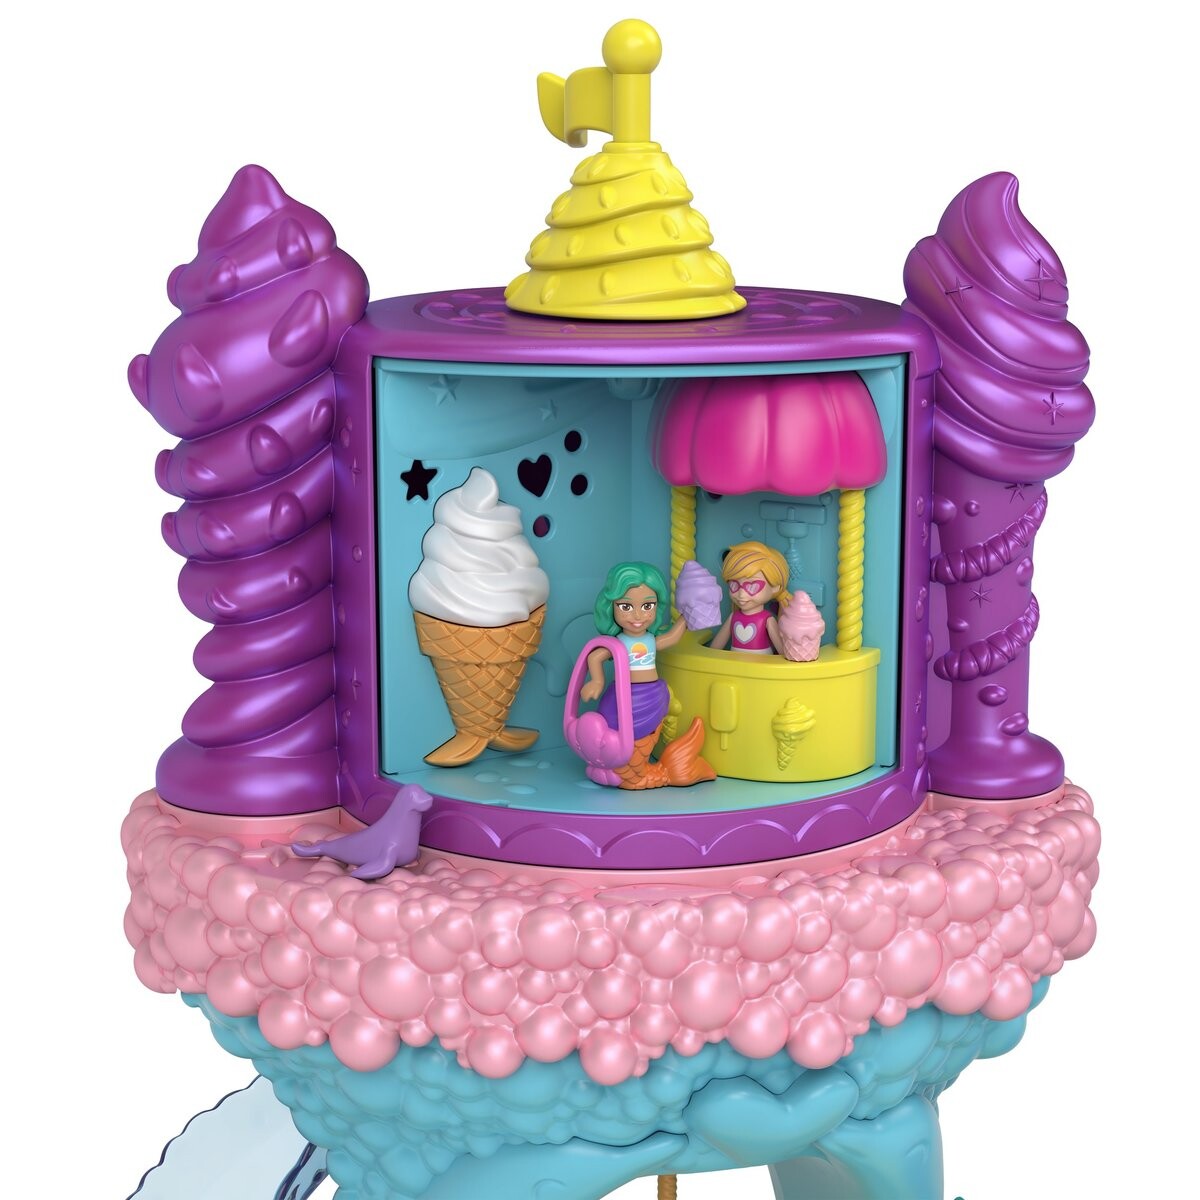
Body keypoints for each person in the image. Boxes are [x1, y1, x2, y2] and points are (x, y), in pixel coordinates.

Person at [579, 562, 714, 789]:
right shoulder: (619, 642)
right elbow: (595, 657)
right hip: (624, 697)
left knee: (645, 739)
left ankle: (637, 770)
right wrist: (597, 681)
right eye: (626, 606)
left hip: (651, 696)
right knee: (619, 736)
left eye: (647, 605)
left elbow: (671, 638)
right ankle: (619, 769)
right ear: (611, 607)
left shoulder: (650, 639)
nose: (638, 615)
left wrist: (686, 616)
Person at [708, 541, 791, 655]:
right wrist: (708, 657)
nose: (741, 594)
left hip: (761, 664)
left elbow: (782, 650)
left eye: (752, 586)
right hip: (734, 663)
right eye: (734, 585)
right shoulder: (734, 617)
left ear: (775, 587)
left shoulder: (767, 619)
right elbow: (716, 647)